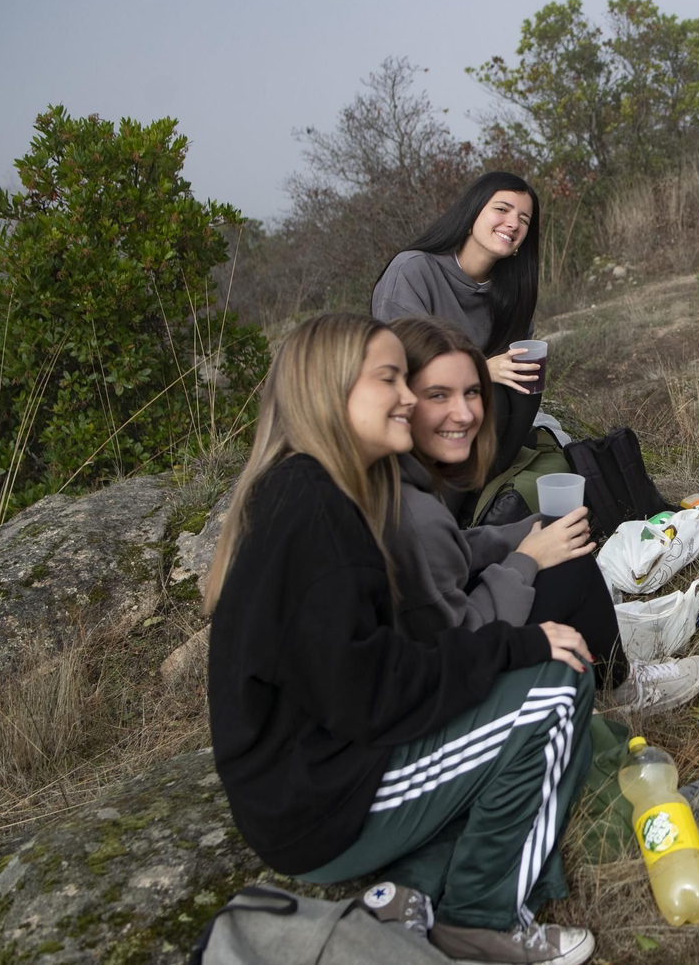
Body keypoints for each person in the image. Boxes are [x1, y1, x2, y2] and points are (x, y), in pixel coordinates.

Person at [207, 312, 597, 965]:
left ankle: (405, 893)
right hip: (322, 807)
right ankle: (482, 918)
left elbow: (372, 669)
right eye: (390, 379)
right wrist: (516, 647)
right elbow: (376, 694)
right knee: (557, 692)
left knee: (524, 707)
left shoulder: (312, 488)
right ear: (331, 390)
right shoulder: (319, 519)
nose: (410, 398)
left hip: (316, 777)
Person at [385, 315, 699, 714]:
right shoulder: (412, 510)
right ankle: (619, 689)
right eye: (438, 396)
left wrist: (518, 534)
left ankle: (606, 648)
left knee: (555, 534)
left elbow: (447, 556)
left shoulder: (396, 475)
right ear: (399, 400)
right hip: (438, 697)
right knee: (570, 568)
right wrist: (528, 558)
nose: (465, 414)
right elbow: (460, 641)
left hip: (430, 654)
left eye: (471, 393)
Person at [372, 172, 546, 482]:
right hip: (414, 416)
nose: (513, 224)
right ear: (471, 214)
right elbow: (396, 369)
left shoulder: (512, 294)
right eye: (502, 209)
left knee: (523, 384)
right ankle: (448, 500)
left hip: (479, 429)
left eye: (524, 219)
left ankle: (481, 493)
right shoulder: (413, 270)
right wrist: (480, 371)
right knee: (490, 392)